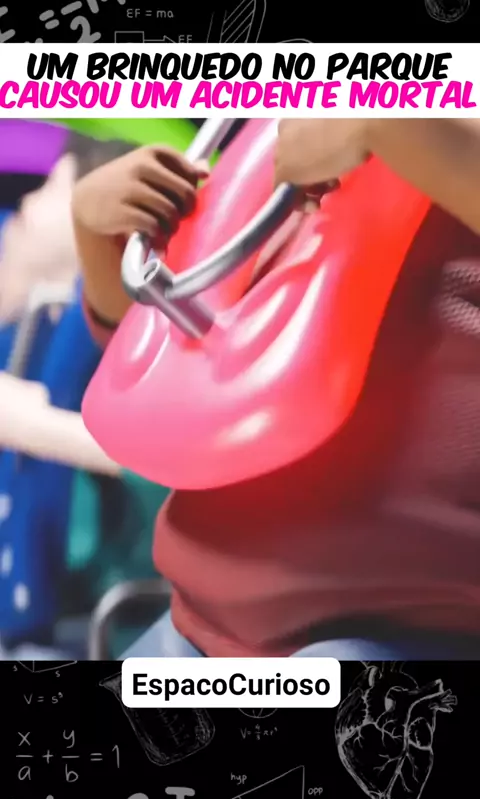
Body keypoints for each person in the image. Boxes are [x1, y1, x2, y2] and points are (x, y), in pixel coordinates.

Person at [73, 118, 480, 660]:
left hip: (399, 627)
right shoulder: (295, 133)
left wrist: (389, 125)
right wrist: (99, 237)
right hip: (194, 619)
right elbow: (175, 365)